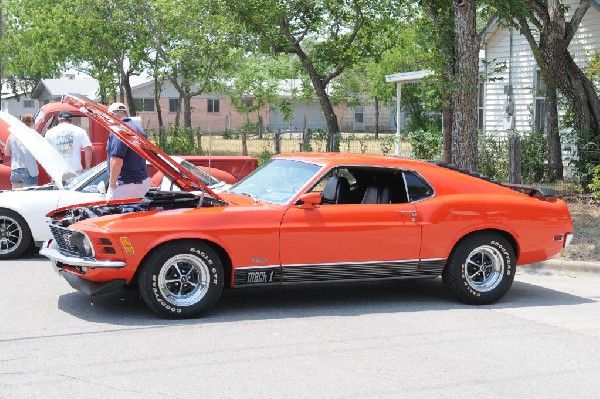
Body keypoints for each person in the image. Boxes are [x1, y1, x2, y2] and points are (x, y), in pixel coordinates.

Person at [106, 102, 150, 200]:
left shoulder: (120, 130)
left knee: (114, 214)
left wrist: (112, 181)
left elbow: (117, 158)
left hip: (125, 184)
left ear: (112, 115)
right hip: (142, 182)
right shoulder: (139, 130)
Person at [44, 110, 92, 175]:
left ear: (58, 119)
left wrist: (50, 169)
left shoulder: (50, 132)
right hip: (75, 169)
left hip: (58, 171)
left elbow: (46, 152)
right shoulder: (80, 131)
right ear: (71, 119)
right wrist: (87, 167)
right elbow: (88, 150)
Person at [3, 114, 39, 189]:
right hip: (28, 170)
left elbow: (6, 153)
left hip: (15, 170)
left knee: (16, 198)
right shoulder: (33, 135)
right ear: (32, 123)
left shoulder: (12, 135)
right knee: (29, 197)